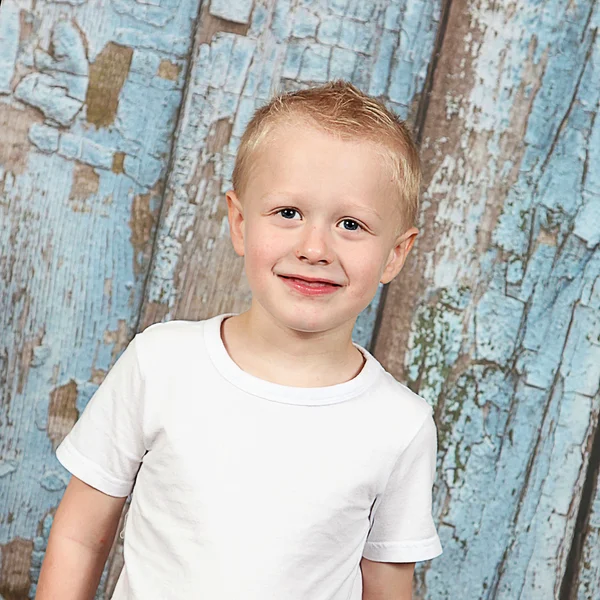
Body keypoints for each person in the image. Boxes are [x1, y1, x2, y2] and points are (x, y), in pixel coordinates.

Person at [36, 80, 443, 600]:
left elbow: (386, 585)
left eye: (350, 223)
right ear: (239, 222)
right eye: (288, 213)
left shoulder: (400, 426)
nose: (315, 248)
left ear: (395, 254)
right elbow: (78, 537)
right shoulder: (161, 364)